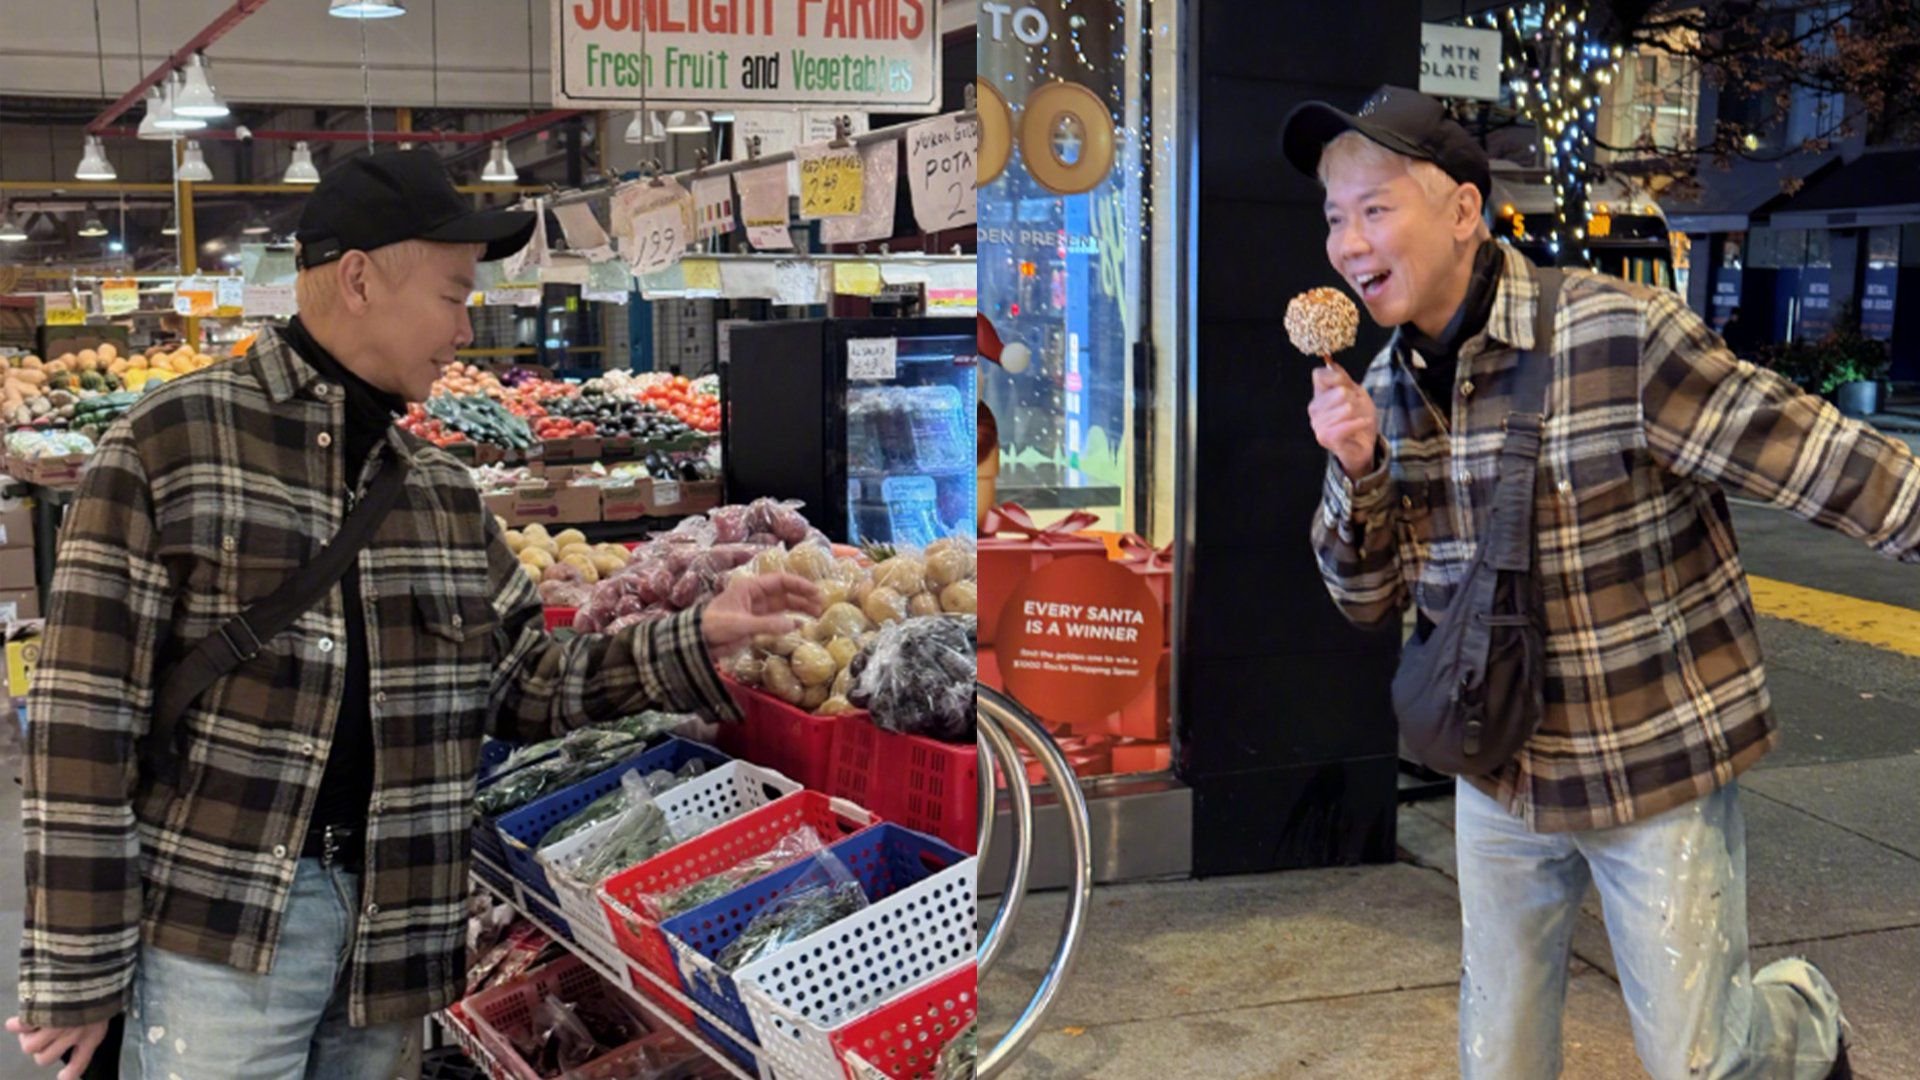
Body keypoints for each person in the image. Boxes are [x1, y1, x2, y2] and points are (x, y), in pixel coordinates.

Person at [8, 149, 822, 1080]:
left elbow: (521, 680)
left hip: (395, 930)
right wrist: (76, 973)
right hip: (220, 928)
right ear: (358, 278)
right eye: (451, 296)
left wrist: (699, 632)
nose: (465, 329)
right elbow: (80, 722)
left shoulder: (437, 489)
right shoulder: (169, 445)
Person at [1287, 86, 1876, 1079]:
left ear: (1464, 211)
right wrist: (1359, 473)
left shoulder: (1618, 334)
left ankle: (1804, 1023)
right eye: (1335, 217)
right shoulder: (1376, 394)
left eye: (1376, 209)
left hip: (1648, 761)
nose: (1348, 242)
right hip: (1499, 768)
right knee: (1500, 1058)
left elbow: (1807, 451)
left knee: (1709, 1062)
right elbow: (1363, 598)